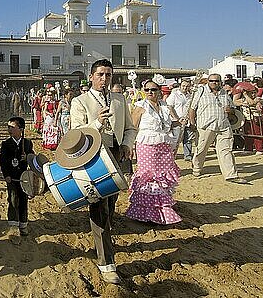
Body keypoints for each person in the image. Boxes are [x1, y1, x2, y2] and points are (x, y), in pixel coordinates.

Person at [70, 58, 137, 284]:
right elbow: (76, 133)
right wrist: (97, 123)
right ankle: (106, 262)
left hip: (115, 156)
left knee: (109, 207)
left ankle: (103, 246)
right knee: (99, 208)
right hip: (94, 158)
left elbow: (130, 127)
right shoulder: (80, 101)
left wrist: (128, 143)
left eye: (108, 75)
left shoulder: (119, 99)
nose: (104, 79)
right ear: (91, 76)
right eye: (100, 74)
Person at [127, 80, 183, 224]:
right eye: (147, 90)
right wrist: (130, 147)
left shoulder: (166, 106)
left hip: (164, 146)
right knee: (149, 176)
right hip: (147, 146)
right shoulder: (140, 107)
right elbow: (133, 128)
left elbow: (174, 123)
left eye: (153, 89)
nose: (150, 92)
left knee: (163, 177)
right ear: (143, 91)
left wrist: (180, 123)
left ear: (159, 91)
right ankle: (146, 211)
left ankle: (162, 209)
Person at [188, 74, 249, 184]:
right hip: (206, 126)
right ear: (208, 81)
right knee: (201, 149)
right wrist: (192, 122)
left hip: (223, 126)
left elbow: (233, 109)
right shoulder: (201, 91)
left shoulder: (224, 93)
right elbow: (192, 108)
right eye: (211, 81)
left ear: (220, 82)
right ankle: (196, 168)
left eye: (216, 81)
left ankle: (231, 175)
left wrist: (230, 110)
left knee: (226, 151)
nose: (214, 83)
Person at [0, 116, 34, 244]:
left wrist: (28, 157)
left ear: (21, 129)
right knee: (13, 200)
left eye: (12, 127)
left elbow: (33, 159)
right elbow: (2, 161)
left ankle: (23, 225)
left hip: (24, 178)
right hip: (12, 178)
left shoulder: (28, 143)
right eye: (8, 127)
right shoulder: (6, 144)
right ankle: (13, 227)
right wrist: (6, 175)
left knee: (23, 200)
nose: (9, 129)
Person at [166, 79, 194, 160]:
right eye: (183, 86)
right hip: (177, 122)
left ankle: (188, 156)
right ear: (180, 86)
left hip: (187, 121)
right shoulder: (174, 95)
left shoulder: (190, 96)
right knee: (176, 139)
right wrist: (176, 119)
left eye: (187, 86)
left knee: (188, 139)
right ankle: (172, 155)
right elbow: (169, 107)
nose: (185, 88)